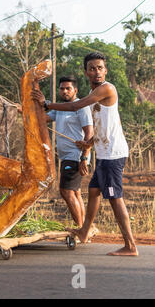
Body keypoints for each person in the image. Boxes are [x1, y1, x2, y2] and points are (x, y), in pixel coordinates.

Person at [35, 52, 138, 256]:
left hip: (113, 154)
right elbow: (99, 127)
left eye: (100, 68)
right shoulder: (93, 96)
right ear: (86, 72)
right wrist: (88, 145)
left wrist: (46, 104)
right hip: (103, 153)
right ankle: (84, 231)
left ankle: (130, 245)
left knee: (115, 198)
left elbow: (74, 106)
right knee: (93, 192)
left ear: (105, 71)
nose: (96, 71)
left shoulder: (106, 89)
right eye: (92, 68)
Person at [32, 75, 94, 228]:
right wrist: (26, 108)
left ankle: (80, 228)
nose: (65, 91)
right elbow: (42, 118)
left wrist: (84, 158)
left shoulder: (81, 107)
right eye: (62, 89)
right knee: (75, 192)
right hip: (66, 156)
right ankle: (84, 227)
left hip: (75, 156)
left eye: (68, 88)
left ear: (75, 90)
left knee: (66, 191)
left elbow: (89, 134)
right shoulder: (60, 109)